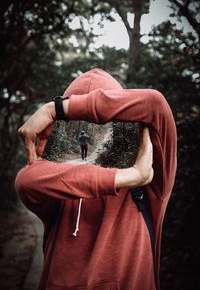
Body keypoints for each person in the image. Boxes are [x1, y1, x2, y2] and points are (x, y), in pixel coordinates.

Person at [15, 68, 177, 290]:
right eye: (78, 123)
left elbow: (155, 104)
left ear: (122, 124)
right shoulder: (60, 182)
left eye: (105, 122)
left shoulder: (150, 179)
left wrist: (57, 108)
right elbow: (26, 181)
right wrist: (128, 176)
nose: (93, 133)